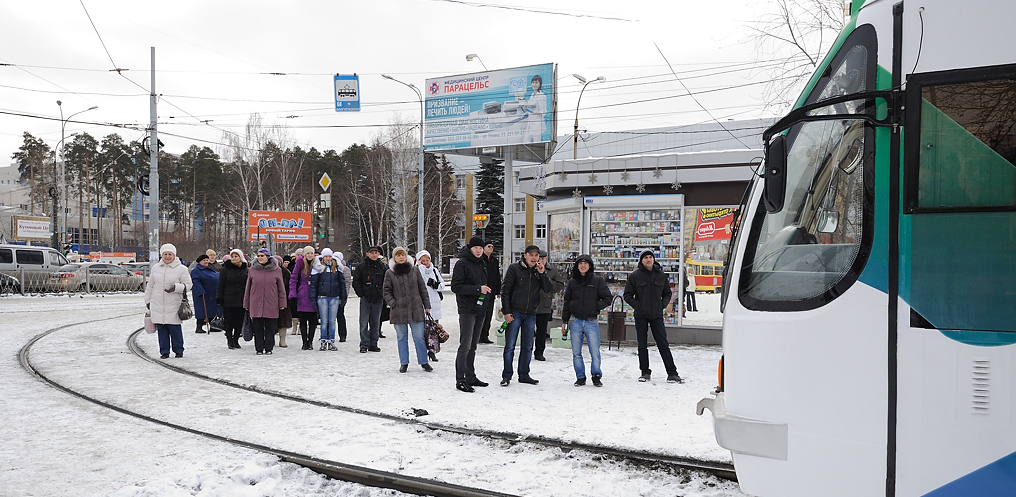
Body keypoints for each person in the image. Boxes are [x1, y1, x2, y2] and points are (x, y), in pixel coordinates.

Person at [623, 250, 683, 383]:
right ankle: (645, 372)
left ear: (653, 259)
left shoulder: (661, 275)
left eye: (650, 257)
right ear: (642, 261)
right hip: (641, 315)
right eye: (645, 258)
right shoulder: (635, 276)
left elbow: (667, 293)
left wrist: (661, 305)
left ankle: (672, 373)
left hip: (656, 315)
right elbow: (627, 295)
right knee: (642, 345)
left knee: (663, 344)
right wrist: (638, 306)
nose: (648, 260)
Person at [499, 245, 552, 387]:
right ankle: (507, 375)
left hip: (530, 314)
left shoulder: (538, 271)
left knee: (527, 346)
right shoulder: (514, 269)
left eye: (537, 255)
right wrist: (506, 312)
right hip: (515, 312)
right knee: (510, 346)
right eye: (532, 255)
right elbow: (505, 291)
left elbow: (547, 289)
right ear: (525, 255)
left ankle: (524, 374)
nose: (534, 258)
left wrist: (542, 274)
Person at [562, 255, 612, 387]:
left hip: (591, 321)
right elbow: (567, 302)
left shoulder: (597, 281)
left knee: (595, 351)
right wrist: (565, 321)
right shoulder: (572, 282)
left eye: (585, 264)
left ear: (590, 266)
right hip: (575, 320)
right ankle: (580, 377)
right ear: (577, 266)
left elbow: (608, 298)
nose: (582, 266)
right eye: (580, 264)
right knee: (576, 352)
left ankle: (596, 375)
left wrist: (595, 307)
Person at [450, 237, 493, 392]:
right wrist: (477, 289)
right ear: (470, 249)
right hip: (467, 309)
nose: (478, 250)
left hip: (480, 308)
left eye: (480, 248)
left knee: (473, 346)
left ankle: (470, 376)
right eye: (475, 248)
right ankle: (460, 380)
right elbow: (456, 286)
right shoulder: (462, 263)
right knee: (465, 345)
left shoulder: (482, 263)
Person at [382, 247, 432, 373]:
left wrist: (426, 305)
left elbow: (422, 288)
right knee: (401, 337)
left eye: (402, 254)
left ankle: (424, 362)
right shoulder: (390, 272)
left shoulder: (414, 270)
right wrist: (393, 303)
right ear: (394, 257)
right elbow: (386, 291)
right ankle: (404, 362)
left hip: (415, 309)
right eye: (398, 255)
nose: (401, 257)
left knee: (419, 337)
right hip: (399, 311)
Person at [145, 244, 193, 359]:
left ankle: (178, 350)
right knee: (162, 329)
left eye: (170, 254)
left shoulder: (181, 269)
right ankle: (164, 351)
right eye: (165, 254)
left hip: (174, 304)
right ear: (162, 255)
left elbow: (189, 285)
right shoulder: (156, 268)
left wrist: (176, 287)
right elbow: (150, 285)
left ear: (174, 255)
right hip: (158, 303)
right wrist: (147, 300)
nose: (167, 256)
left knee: (175, 329)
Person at [243, 248, 287, 355]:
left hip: (271, 303)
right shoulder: (252, 270)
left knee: (270, 327)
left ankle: (268, 348)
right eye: (258, 256)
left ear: (268, 257)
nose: (260, 258)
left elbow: (281, 288)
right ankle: (259, 348)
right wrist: (246, 302)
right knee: (257, 327)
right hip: (256, 302)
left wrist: (282, 303)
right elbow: (248, 288)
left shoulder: (277, 270)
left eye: (262, 256)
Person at [310, 248, 347, 351]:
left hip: (334, 297)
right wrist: (313, 298)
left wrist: (344, 297)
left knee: (332, 321)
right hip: (322, 297)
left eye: (329, 256)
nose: (328, 258)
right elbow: (314, 285)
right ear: (323, 257)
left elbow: (342, 284)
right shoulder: (318, 268)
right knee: (324, 321)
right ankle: (323, 340)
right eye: (326, 256)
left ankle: (331, 340)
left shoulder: (337, 268)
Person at [353, 246, 386, 353]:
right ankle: (364, 344)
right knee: (363, 323)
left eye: (376, 253)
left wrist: (382, 293)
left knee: (375, 323)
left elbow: (387, 282)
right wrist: (361, 293)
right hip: (365, 298)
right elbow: (356, 281)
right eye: (372, 253)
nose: (374, 255)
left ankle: (373, 343)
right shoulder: (361, 267)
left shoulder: (383, 268)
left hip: (378, 299)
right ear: (367, 254)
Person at [534, 250, 566, 361]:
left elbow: (560, 285)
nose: (540, 261)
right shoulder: (531, 268)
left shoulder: (552, 270)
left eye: (543, 258)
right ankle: (527, 351)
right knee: (528, 330)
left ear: (546, 259)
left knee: (542, 331)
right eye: (539, 258)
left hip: (545, 304)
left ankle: (539, 352)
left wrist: (546, 281)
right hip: (530, 303)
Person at [216, 249, 248, 350]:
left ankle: (236, 340)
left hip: (241, 298)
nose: (234, 258)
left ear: (240, 258)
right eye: (232, 256)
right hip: (228, 299)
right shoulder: (225, 270)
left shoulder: (246, 270)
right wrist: (219, 297)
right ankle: (229, 339)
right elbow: (220, 285)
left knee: (239, 321)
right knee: (229, 321)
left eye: (236, 256)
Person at [416, 250, 444, 362]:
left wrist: (435, 285)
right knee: (423, 331)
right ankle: (423, 352)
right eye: (423, 261)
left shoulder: (435, 270)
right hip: (423, 303)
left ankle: (432, 351)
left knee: (434, 330)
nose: (425, 262)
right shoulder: (417, 271)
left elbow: (441, 284)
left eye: (427, 260)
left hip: (435, 304)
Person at [289, 246, 319, 350]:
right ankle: (304, 341)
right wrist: (293, 293)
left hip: (314, 294)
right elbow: (293, 279)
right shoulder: (300, 264)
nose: (310, 255)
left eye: (312, 253)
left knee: (313, 320)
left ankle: (310, 341)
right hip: (303, 293)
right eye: (308, 253)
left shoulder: (317, 264)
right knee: (303, 319)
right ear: (304, 255)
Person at [190, 254, 220, 334]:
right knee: (202, 310)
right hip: (203, 294)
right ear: (200, 262)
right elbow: (195, 282)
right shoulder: (196, 271)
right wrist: (200, 291)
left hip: (212, 293)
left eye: (207, 260)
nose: (206, 262)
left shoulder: (210, 269)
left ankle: (212, 326)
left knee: (212, 310)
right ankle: (199, 327)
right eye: (204, 260)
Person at [478, 242, 501, 344]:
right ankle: (478, 335)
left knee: (488, 314)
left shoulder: (494, 260)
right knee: (480, 314)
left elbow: (497, 276)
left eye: (492, 247)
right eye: (489, 246)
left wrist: (498, 290)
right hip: (481, 291)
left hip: (491, 291)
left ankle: (485, 335)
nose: (491, 248)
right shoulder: (480, 260)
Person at [333, 251, 353, 342]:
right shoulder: (331, 267)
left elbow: (347, 283)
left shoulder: (345, 269)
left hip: (341, 296)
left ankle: (342, 334)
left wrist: (345, 295)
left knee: (340, 315)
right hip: (332, 295)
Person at [274, 255, 293, 348]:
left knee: (283, 321)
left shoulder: (286, 273)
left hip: (283, 299)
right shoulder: (269, 272)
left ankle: (282, 339)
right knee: (270, 321)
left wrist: (287, 297)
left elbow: (290, 286)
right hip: (270, 300)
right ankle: (270, 339)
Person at [523, 74, 547, 143]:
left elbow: (543, 111)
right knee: (525, 141)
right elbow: (531, 107)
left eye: (536, 82)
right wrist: (527, 113)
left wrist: (533, 112)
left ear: (540, 84)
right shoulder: (532, 95)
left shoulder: (541, 96)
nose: (534, 84)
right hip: (530, 124)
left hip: (537, 125)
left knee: (537, 143)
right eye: (533, 82)